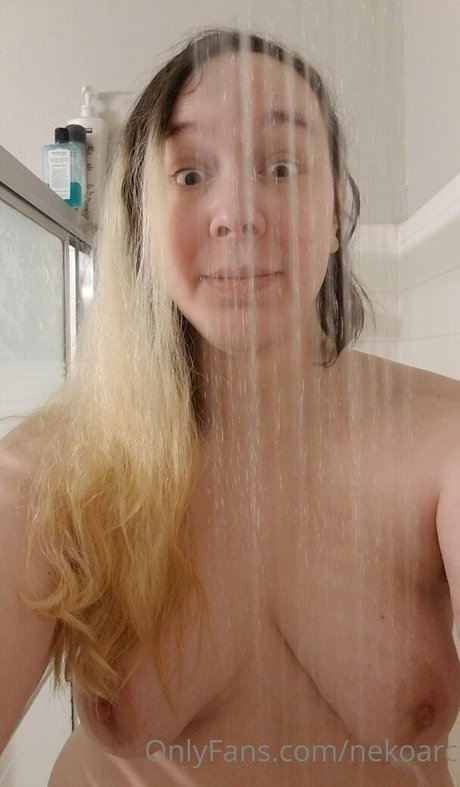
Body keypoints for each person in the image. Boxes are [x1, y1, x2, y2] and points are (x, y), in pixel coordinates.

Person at [2, 26, 460, 787]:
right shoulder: (54, 467)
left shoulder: (444, 444)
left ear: (335, 210)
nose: (238, 213)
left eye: (281, 166)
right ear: (142, 219)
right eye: (189, 174)